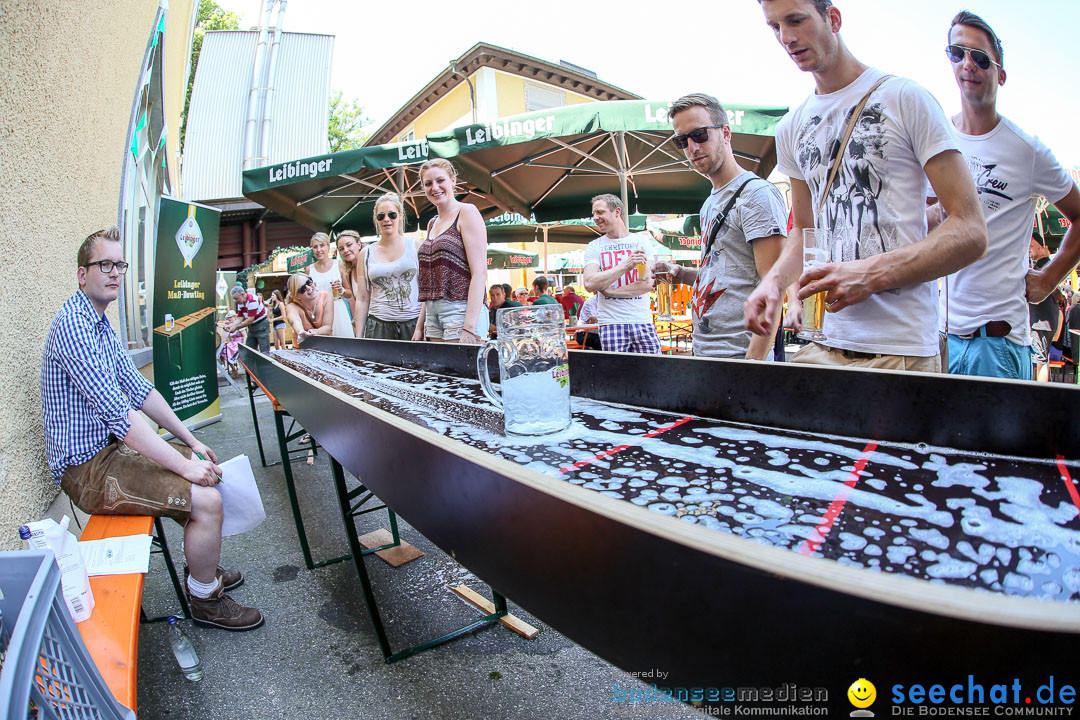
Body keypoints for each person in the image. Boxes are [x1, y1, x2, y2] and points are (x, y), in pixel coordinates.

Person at [744, 0, 987, 372]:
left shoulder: (906, 98)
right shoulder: (790, 127)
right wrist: (774, 283)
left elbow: (970, 229)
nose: (787, 38)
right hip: (820, 345)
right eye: (775, 27)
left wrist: (871, 273)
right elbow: (804, 230)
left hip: (899, 351)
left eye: (796, 20)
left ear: (833, 18)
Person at [42, 227, 263, 630]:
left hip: (111, 451)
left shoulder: (99, 323)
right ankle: (205, 600)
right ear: (81, 273)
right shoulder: (74, 326)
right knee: (206, 499)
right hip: (87, 470)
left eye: (119, 265)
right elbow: (120, 416)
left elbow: (141, 392)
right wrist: (183, 466)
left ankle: (202, 569)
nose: (114, 272)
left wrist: (192, 442)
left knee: (206, 472)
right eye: (103, 264)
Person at [931, 11, 1080, 380]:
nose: (968, 64)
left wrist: (1049, 279)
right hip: (939, 338)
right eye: (957, 52)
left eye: (980, 57)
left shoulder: (1027, 150)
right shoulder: (936, 140)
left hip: (997, 345)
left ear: (1000, 74)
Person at [659, 93, 788, 360]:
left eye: (700, 135)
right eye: (682, 141)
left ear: (726, 133)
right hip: (707, 352)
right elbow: (729, 274)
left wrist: (754, 365)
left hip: (740, 355)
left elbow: (774, 287)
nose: (692, 147)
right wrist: (683, 274)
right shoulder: (709, 203)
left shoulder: (756, 194)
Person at [413, 159, 488, 344]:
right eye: (428, 183)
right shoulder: (432, 223)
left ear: (453, 180)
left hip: (461, 308)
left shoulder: (467, 212)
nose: (435, 187)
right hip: (432, 313)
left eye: (440, 180)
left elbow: (480, 273)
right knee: (441, 372)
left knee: (463, 371)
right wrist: (419, 326)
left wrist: (469, 328)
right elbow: (430, 281)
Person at [582, 193, 662, 354]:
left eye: (600, 212)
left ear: (617, 212)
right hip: (611, 323)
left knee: (655, 374)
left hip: (642, 321)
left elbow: (647, 283)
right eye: (594, 214)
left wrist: (609, 290)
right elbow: (590, 283)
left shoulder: (641, 241)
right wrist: (626, 265)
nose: (595, 218)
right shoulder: (594, 246)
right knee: (617, 377)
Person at [350, 196, 422, 340]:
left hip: (413, 323)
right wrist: (359, 336)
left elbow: (426, 291)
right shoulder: (366, 253)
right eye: (381, 216)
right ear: (376, 219)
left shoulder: (416, 246)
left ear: (400, 215)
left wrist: (421, 327)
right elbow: (363, 298)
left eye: (392, 214)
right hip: (378, 325)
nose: (386, 219)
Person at [306, 232, 355, 338]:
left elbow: (350, 293)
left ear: (328, 246)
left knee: (343, 343)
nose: (319, 250)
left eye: (322, 245)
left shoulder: (339, 265)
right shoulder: (309, 270)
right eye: (315, 247)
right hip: (319, 312)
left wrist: (341, 290)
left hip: (338, 309)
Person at [284, 271, 335, 345]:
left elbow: (327, 328)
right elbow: (295, 321)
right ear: (296, 295)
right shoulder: (292, 306)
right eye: (302, 289)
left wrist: (314, 332)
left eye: (308, 282)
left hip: (326, 346)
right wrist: (301, 332)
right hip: (303, 350)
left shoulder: (326, 296)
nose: (308, 288)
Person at [226, 284, 270, 353]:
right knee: (250, 350)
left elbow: (250, 320)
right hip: (252, 327)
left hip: (261, 325)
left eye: (236, 298)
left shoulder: (252, 300)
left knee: (264, 351)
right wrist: (230, 325)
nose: (235, 301)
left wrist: (236, 328)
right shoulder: (241, 303)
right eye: (234, 299)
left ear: (242, 294)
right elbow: (240, 318)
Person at [216, 311, 245, 377]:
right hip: (234, 343)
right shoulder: (230, 326)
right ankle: (234, 369)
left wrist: (244, 345)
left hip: (240, 343)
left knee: (228, 349)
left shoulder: (239, 324)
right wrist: (226, 328)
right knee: (224, 349)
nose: (229, 319)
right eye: (228, 318)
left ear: (235, 317)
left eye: (230, 317)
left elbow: (244, 335)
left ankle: (235, 371)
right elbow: (225, 337)